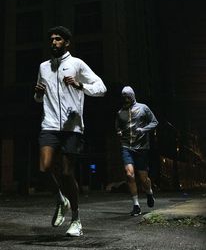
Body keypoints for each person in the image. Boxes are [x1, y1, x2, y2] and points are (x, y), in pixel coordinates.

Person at [34, 26, 107, 236]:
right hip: (49, 124)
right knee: (44, 168)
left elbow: (101, 88)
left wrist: (80, 86)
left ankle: (76, 219)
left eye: (58, 39)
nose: (53, 42)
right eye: (51, 39)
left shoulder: (77, 64)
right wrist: (38, 94)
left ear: (67, 42)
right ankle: (61, 200)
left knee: (67, 173)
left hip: (72, 127)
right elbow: (39, 98)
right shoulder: (43, 67)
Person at [115, 86, 158, 216]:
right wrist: (119, 131)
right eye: (124, 97)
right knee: (129, 175)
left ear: (133, 96)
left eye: (128, 96)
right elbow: (117, 126)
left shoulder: (143, 108)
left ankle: (149, 193)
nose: (126, 99)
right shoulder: (120, 112)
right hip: (126, 146)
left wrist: (143, 130)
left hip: (142, 147)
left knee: (143, 178)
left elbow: (155, 122)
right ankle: (136, 205)